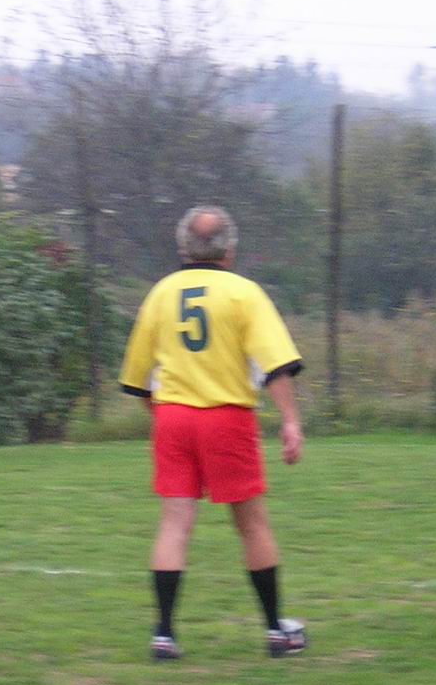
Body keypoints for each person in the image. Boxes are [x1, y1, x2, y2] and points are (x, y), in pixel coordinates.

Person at [119, 205, 306, 661]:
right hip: (227, 418)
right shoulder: (244, 293)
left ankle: (164, 635)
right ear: (229, 250)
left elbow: (136, 378)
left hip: (173, 417)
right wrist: (290, 420)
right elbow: (275, 365)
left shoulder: (161, 294)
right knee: (252, 524)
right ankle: (276, 631)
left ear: (183, 247)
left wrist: (163, 416)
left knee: (174, 524)